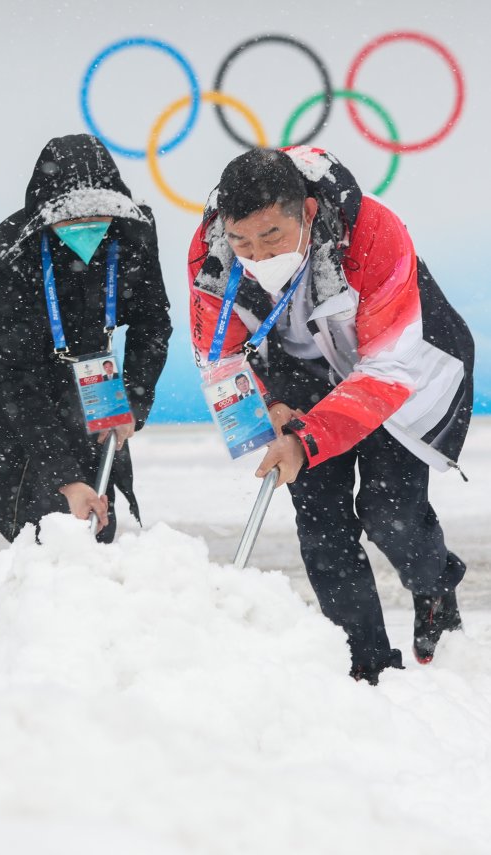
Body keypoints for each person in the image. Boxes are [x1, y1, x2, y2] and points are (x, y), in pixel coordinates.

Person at [188, 146, 474, 684]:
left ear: (309, 213)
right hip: (297, 378)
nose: (255, 253)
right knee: (321, 526)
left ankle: (435, 582)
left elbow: (387, 369)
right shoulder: (210, 251)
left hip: (392, 366)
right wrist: (266, 407)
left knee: (391, 516)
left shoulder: (373, 234)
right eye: (242, 240)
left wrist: (309, 441)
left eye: (271, 236)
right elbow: (217, 357)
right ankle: (366, 665)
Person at [0, 134, 172, 543]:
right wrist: (65, 477)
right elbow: (15, 376)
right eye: (72, 221)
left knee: (98, 496)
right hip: (10, 382)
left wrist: (132, 402)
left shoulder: (132, 233)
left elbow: (152, 325)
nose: (86, 230)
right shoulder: (12, 253)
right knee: (48, 515)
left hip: (93, 376)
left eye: (98, 218)